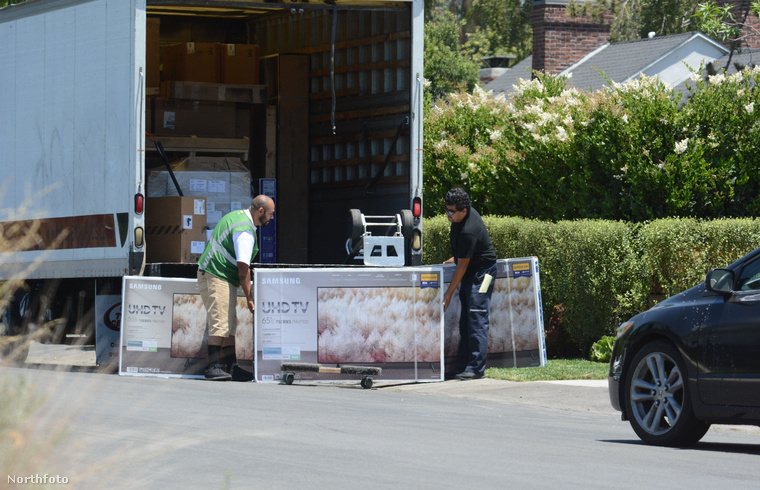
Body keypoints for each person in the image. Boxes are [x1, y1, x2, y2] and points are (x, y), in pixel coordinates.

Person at [197, 195, 275, 381]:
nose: (272, 218)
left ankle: (231, 367)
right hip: (216, 275)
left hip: (220, 274)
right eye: (271, 214)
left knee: (230, 323)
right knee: (221, 321)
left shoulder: (236, 216)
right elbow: (243, 267)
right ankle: (214, 367)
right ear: (261, 211)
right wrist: (249, 297)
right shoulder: (245, 232)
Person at [442, 188, 497, 380]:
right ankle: (462, 366)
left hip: (484, 274)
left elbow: (462, 267)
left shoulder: (468, 230)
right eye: (446, 210)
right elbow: (463, 258)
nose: (447, 214)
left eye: (451, 211)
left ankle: (475, 368)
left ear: (464, 210)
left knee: (477, 317)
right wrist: (456, 257)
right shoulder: (459, 219)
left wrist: (448, 294)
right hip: (470, 270)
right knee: (466, 319)